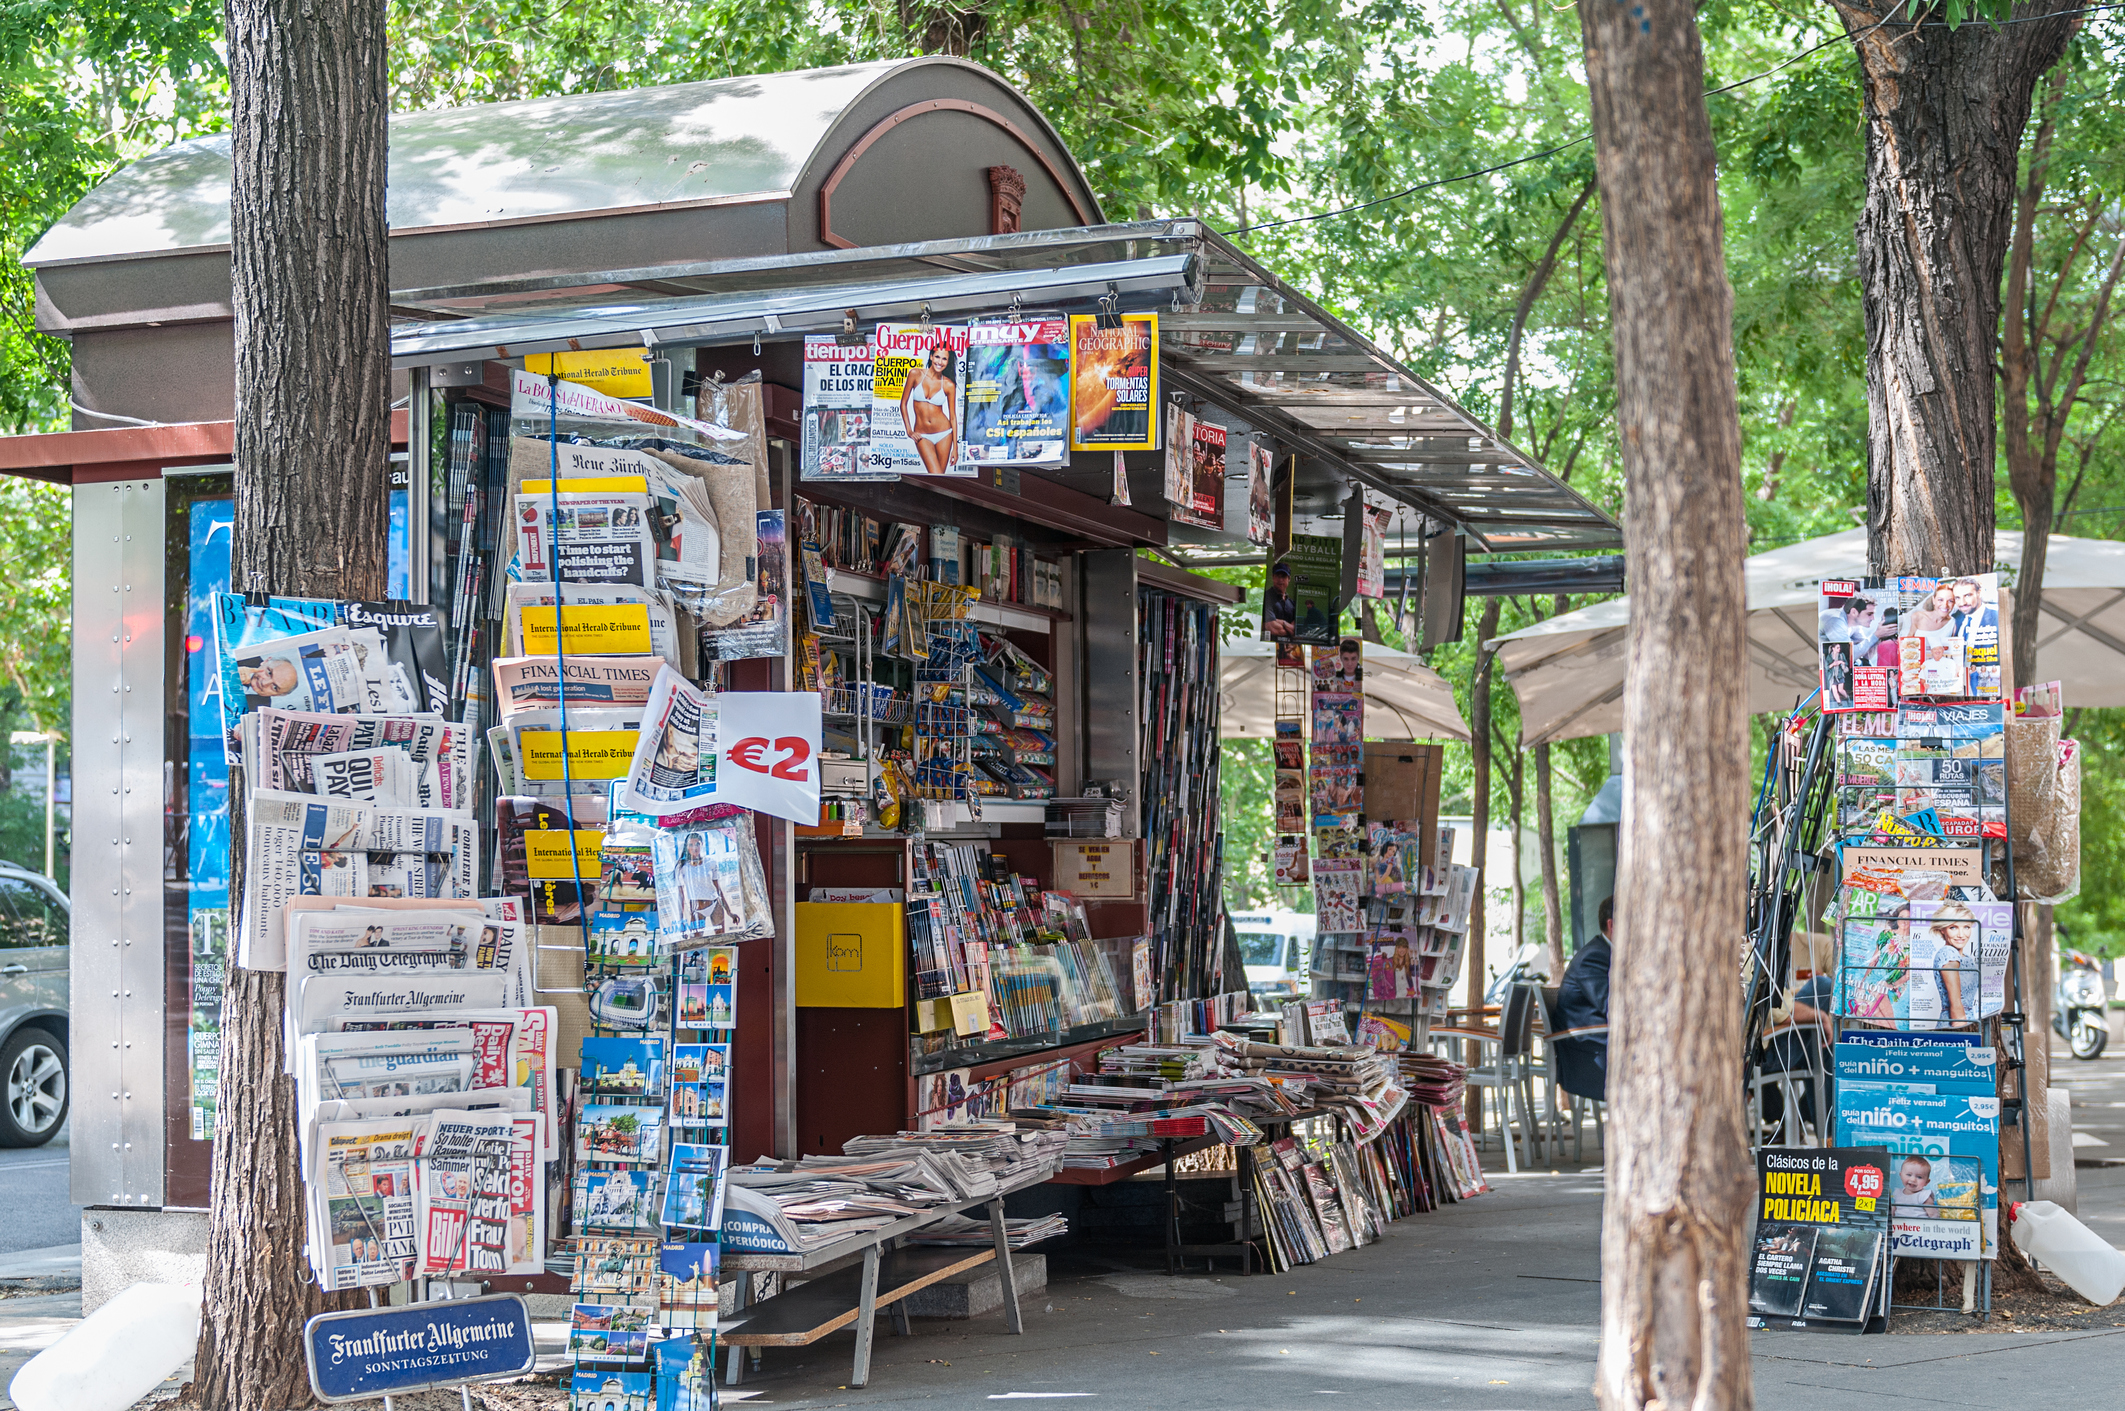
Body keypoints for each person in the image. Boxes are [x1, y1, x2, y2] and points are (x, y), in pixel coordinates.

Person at [1550, 896, 1613, 1100]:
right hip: (1589, 1058)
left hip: (1603, 1046)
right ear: (1612, 925)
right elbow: (1612, 1007)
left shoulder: (1607, 953)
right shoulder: (1593, 957)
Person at [899, 343, 959, 474]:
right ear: (931, 356)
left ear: (948, 362)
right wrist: (909, 431)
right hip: (922, 435)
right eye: (937, 357)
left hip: (944, 434)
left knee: (938, 479)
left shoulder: (948, 384)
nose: (940, 362)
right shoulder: (915, 374)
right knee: (935, 474)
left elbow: (953, 417)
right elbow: (903, 403)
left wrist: (956, 448)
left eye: (944, 359)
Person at [1264, 563, 1297, 638]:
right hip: (1270, 645)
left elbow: (1298, 630)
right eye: (1277, 576)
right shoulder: (1267, 597)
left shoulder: (1292, 603)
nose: (1280, 580)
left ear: (1289, 579)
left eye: (1283, 576)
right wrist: (1291, 630)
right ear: (1273, 577)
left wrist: (1282, 622)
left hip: (1291, 647)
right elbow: (1272, 627)